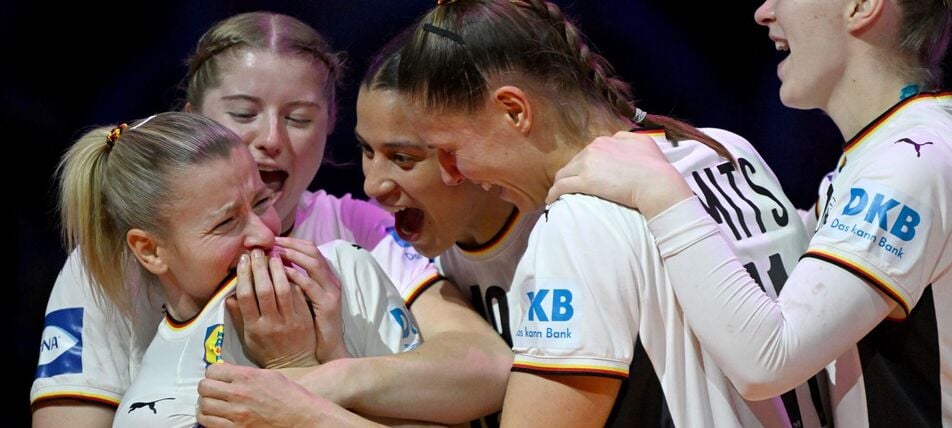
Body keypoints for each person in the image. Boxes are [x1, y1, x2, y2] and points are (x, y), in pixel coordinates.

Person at [31, 11, 510, 427]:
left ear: (330, 127)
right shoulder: (106, 263)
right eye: (243, 113)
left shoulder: (362, 234)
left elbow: (486, 367)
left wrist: (313, 375)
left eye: (299, 119)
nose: (270, 139)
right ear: (193, 117)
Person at [548, 0, 952, 426]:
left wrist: (658, 191)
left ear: (861, 6)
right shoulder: (905, 148)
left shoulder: (912, 162)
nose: (764, 13)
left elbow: (768, 360)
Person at [388, 0, 832, 426]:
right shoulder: (724, 148)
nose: (450, 175)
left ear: (514, 111)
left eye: (450, 150)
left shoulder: (579, 221)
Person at [196, 34, 674, 428]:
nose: (373, 185)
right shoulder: (414, 236)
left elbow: (486, 367)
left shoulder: (579, 224)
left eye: (405, 157)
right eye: (366, 150)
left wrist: (308, 393)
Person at [54, 112, 418, 427]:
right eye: (226, 223)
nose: (264, 234)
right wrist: (291, 363)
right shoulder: (156, 409)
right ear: (150, 251)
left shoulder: (348, 269)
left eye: (262, 201)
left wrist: (334, 356)